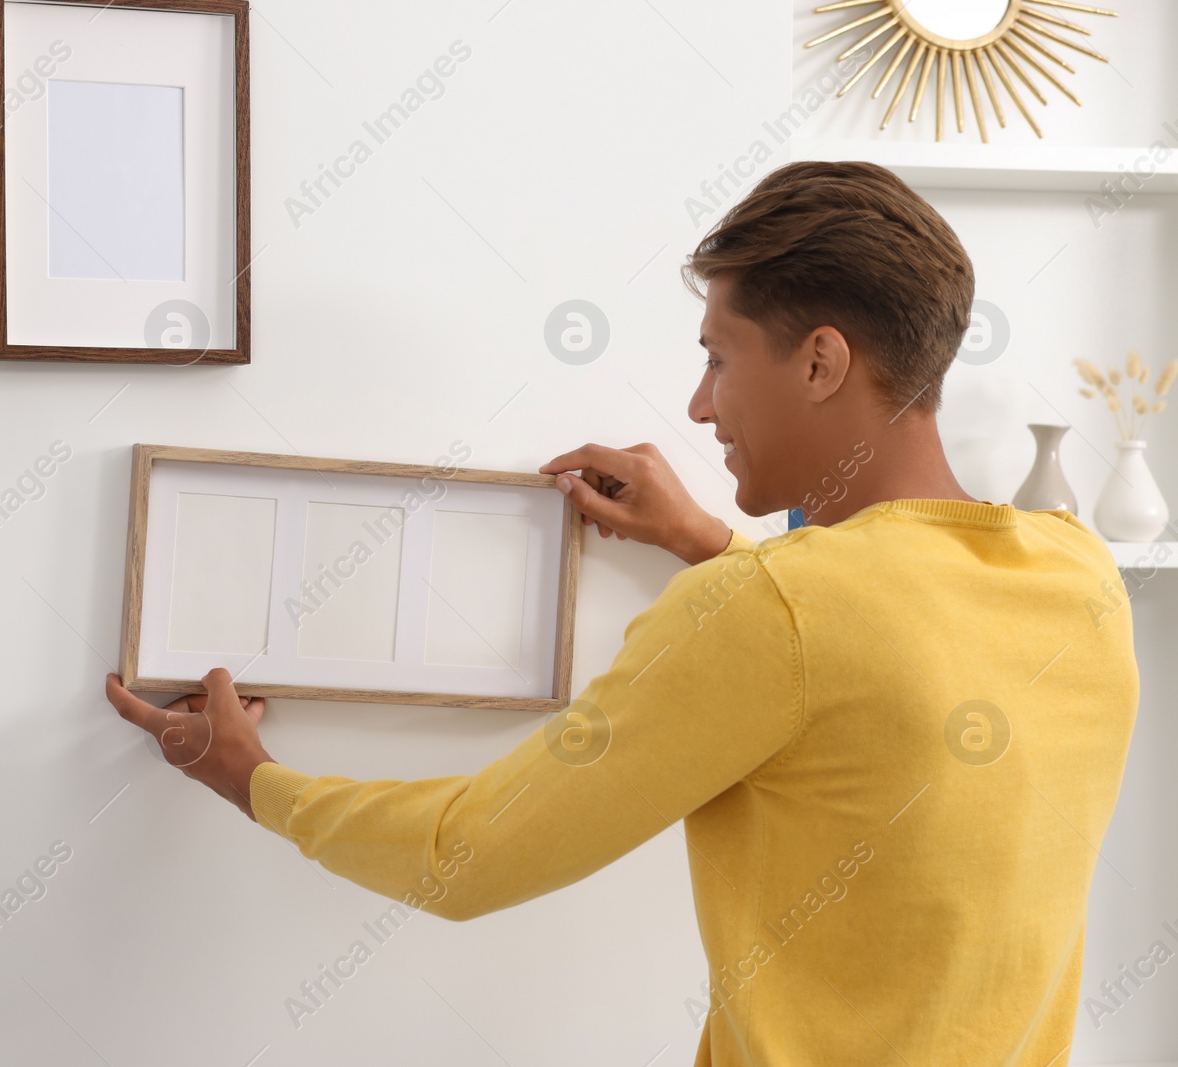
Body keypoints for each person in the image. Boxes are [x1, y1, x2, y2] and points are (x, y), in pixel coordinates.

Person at [104, 160, 1139, 1065]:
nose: (698, 404)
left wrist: (249, 776)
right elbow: (880, 637)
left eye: (718, 356)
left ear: (820, 362)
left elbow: (464, 856)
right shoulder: (1077, 574)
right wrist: (703, 538)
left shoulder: (771, 608)